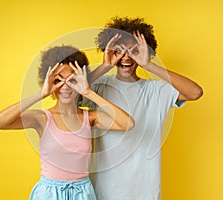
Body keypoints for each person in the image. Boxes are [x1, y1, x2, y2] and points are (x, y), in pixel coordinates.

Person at [0, 45, 135, 200]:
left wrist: (88, 92)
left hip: (82, 193)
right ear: (50, 81)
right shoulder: (42, 118)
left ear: (81, 81)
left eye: (72, 80)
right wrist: (42, 94)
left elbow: (128, 123)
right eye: (59, 80)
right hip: (48, 194)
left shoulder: (91, 117)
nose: (65, 86)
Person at [84, 16, 203, 199]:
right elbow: (72, 93)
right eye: (119, 51)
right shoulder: (98, 87)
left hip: (144, 189)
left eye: (133, 51)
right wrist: (105, 66)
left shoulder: (156, 90)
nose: (126, 57)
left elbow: (195, 92)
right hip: (105, 189)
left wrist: (149, 65)